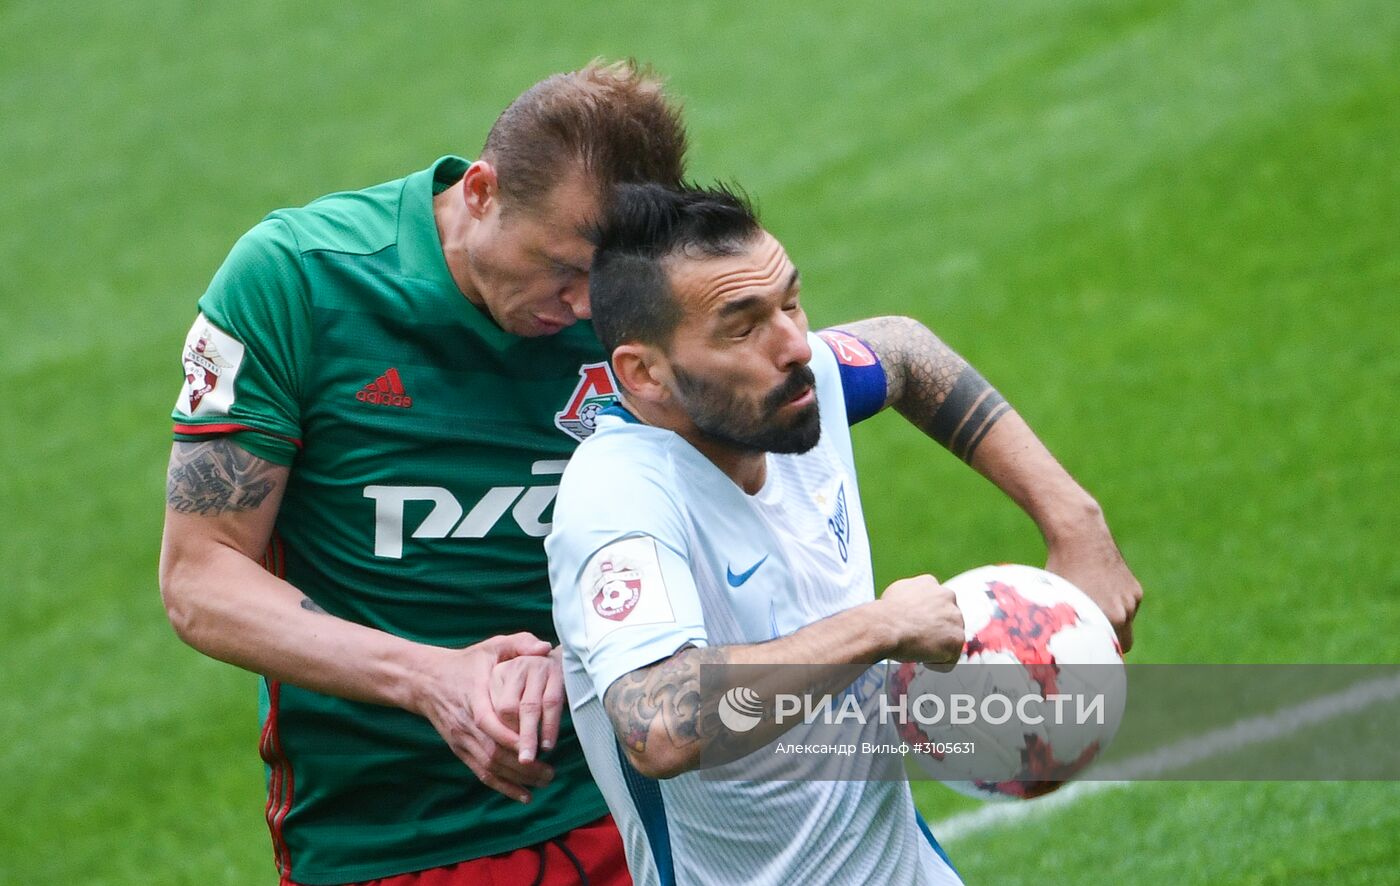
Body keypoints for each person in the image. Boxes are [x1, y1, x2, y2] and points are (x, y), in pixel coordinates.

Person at [159, 61, 688, 885]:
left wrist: (581, 661)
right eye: (564, 267)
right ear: (481, 191)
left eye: (609, 280)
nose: (588, 309)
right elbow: (200, 577)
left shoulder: (651, 300)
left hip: (632, 806)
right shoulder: (296, 281)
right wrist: (431, 679)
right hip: (390, 839)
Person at [546, 183, 1143, 884]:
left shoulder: (794, 390)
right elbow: (657, 726)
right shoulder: (620, 495)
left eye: (791, 303)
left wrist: (1076, 523)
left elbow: (905, 351)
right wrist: (881, 629)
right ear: (645, 373)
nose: (796, 345)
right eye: (743, 328)